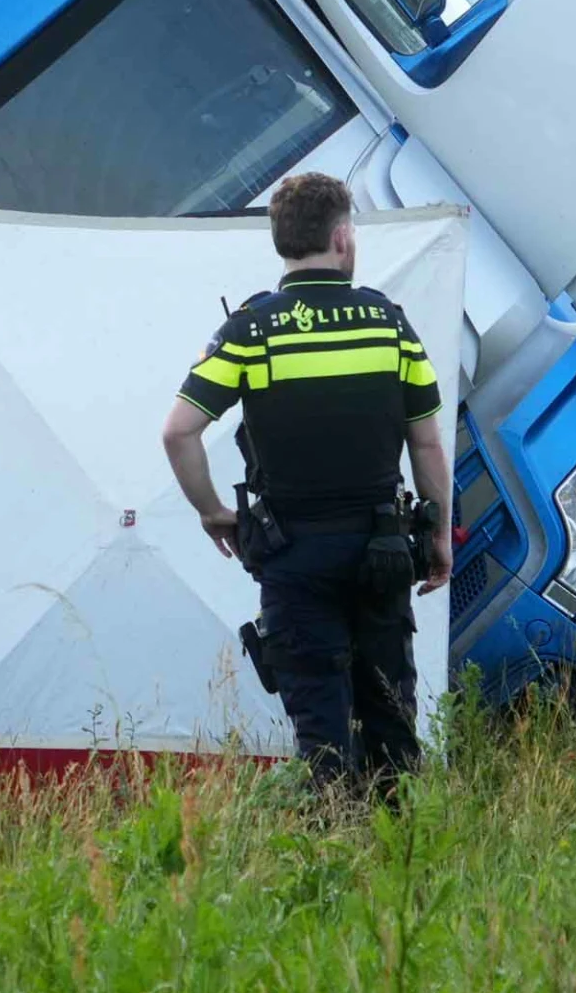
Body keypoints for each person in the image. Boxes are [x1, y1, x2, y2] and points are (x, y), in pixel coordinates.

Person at [159, 171, 453, 796]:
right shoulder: (389, 324)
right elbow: (425, 442)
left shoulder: (251, 330)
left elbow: (178, 432)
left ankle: (334, 858)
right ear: (343, 237)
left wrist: (213, 512)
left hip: (291, 555)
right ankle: (401, 864)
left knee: (323, 737)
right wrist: (440, 536)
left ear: (281, 242)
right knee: (392, 724)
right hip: (381, 550)